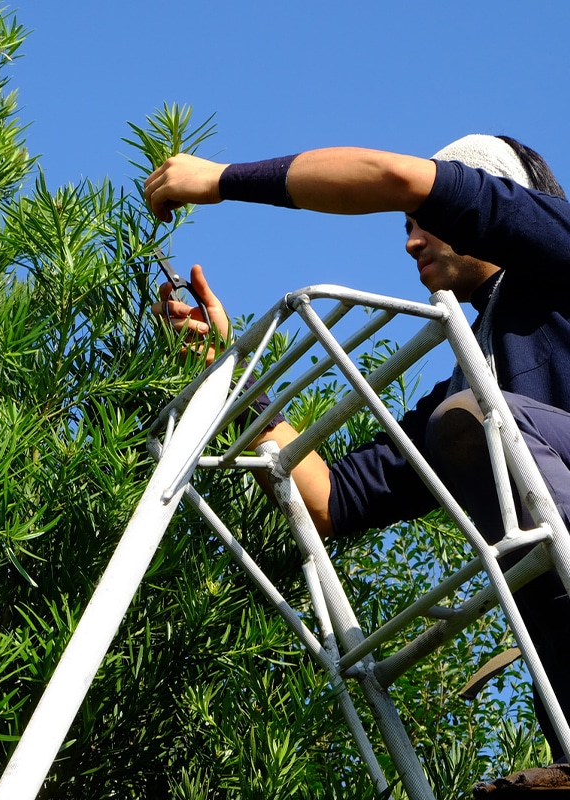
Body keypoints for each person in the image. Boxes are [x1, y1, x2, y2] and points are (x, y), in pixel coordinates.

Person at [145, 135, 570, 793]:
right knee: (464, 423)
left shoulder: (557, 250)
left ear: (488, 203)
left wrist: (221, 179)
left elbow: (394, 175)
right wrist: (228, 372)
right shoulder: (473, 375)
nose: (409, 242)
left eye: (424, 221)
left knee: (477, 422)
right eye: (405, 227)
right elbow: (330, 498)